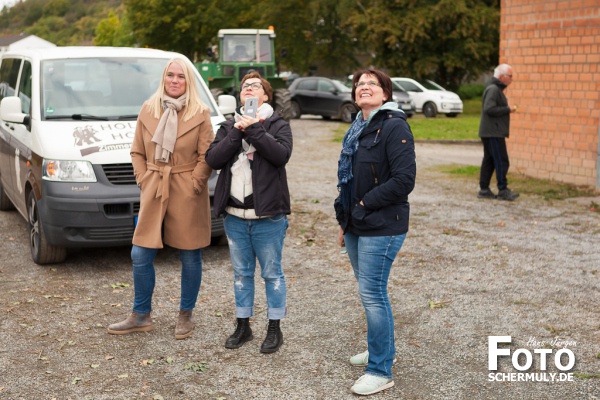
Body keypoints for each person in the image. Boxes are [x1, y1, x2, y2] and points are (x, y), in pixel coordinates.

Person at [107, 58, 214, 340]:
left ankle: (185, 314)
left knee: (190, 254)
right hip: (154, 186)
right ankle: (140, 314)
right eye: (170, 75)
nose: (175, 80)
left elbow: (207, 156)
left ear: (188, 81)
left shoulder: (200, 113)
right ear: (163, 78)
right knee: (140, 254)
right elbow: (137, 152)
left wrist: (195, 183)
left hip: (186, 187)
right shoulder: (149, 108)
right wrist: (143, 178)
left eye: (181, 76)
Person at [334, 69, 416, 396]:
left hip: (382, 224)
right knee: (370, 292)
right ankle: (379, 347)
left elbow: (403, 180)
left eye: (372, 84)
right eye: (360, 84)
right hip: (357, 222)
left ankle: (381, 369)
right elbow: (349, 180)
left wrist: (366, 203)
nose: (364, 87)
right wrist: (345, 221)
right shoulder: (358, 127)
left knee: (373, 294)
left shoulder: (394, 125)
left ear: (385, 93)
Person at [205, 71, 292, 354]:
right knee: (242, 274)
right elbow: (214, 158)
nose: (249, 89)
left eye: (256, 86)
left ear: (266, 95)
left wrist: (255, 128)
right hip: (235, 217)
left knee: (272, 274)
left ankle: (274, 327)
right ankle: (243, 325)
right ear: (240, 96)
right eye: (245, 87)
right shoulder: (228, 126)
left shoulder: (278, 125)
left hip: (268, 217)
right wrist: (237, 131)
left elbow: (280, 156)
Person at [477, 63, 519, 201]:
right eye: (510, 76)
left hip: (490, 131)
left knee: (489, 160)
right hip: (493, 132)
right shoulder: (494, 89)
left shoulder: (494, 88)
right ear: (502, 76)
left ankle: (484, 189)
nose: (512, 79)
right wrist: (507, 109)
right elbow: (489, 109)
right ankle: (503, 189)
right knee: (501, 160)